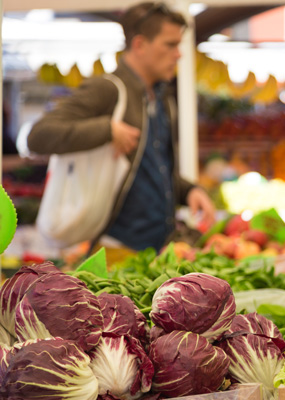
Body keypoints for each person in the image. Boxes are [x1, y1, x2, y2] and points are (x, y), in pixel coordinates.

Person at [27, 2, 215, 252]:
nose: (179, 54)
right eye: (170, 44)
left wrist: (189, 190)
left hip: (160, 250)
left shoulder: (163, 100)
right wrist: (107, 130)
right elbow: (39, 135)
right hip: (115, 250)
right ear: (139, 44)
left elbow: (152, 169)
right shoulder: (108, 90)